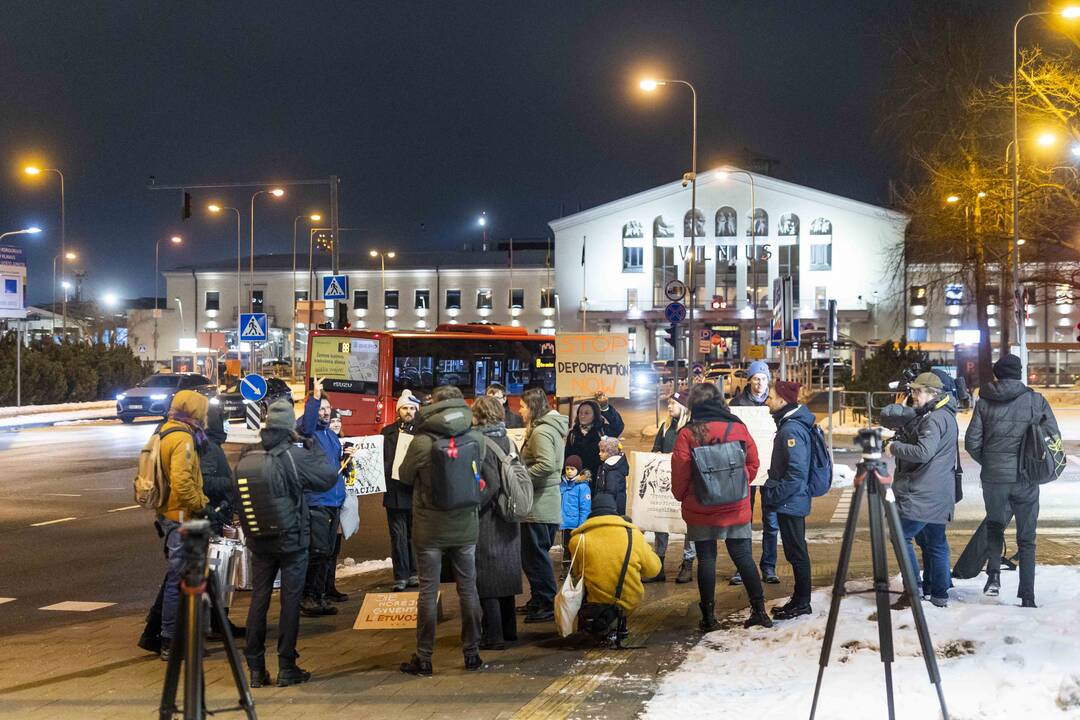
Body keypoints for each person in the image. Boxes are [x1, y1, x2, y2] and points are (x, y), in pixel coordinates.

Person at [243, 399, 339, 688]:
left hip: (259, 539)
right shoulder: (292, 456)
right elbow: (328, 477)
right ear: (288, 427)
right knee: (289, 602)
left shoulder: (250, 455)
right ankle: (287, 666)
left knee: (258, 599)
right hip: (292, 540)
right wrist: (312, 446)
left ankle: (256, 669)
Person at [397, 385, 486, 676]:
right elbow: (479, 474)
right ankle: (472, 653)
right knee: (468, 589)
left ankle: (424, 658)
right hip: (466, 526)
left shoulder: (422, 441)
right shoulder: (475, 437)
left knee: (427, 591)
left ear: (434, 404)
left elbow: (407, 476)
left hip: (430, 528)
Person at [671, 383, 771, 631]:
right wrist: (737, 483)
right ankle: (759, 611)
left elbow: (680, 472)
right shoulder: (737, 427)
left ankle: (708, 617)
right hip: (736, 505)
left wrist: (682, 495)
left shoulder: (687, 434)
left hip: (701, 507)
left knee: (706, 559)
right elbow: (753, 462)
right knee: (743, 557)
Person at [965, 353, 1060, 607]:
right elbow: (1053, 436)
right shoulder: (1035, 400)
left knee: (995, 527)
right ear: (1019, 374)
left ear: (997, 374)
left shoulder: (984, 401)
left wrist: (991, 462)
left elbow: (972, 442)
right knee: (1027, 538)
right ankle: (1027, 596)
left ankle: (994, 576)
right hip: (1026, 478)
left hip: (994, 478)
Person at [139, 390, 211, 660]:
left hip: (168, 514)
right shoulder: (183, 439)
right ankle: (169, 639)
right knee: (179, 579)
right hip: (182, 517)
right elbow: (182, 483)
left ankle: (168, 636)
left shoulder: (165, 430)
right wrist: (202, 504)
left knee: (178, 577)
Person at [884, 372, 958, 608]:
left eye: (918, 391)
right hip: (937, 492)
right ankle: (938, 594)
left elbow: (923, 452)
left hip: (923, 492)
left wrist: (894, 447)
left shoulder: (934, 419)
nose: (913, 395)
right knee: (935, 542)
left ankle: (913, 591)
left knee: (900, 536)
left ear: (933, 393)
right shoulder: (945, 415)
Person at [567, 494, 662, 641]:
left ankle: (595, 621)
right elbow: (654, 570)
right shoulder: (633, 536)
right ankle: (618, 620)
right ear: (615, 511)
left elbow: (578, 573)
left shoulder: (578, 540)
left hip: (595, 601)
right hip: (629, 600)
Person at [472, 395, 524, 650]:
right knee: (505, 576)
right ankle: (509, 630)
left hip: (490, 519)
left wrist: (474, 506)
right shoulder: (508, 439)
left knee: (487, 580)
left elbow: (489, 483)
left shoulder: (481, 442)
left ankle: (493, 636)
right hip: (510, 515)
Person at [761, 380, 815, 621]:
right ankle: (800, 599)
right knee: (795, 552)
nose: (767, 400)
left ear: (783, 400)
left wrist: (773, 494)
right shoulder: (789, 424)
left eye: (771, 397)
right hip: (790, 500)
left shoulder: (791, 430)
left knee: (797, 553)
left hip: (791, 501)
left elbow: (796, 473)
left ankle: (803, 602)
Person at [296, 378, 349, 617]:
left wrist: (346, 461)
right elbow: (306, 426)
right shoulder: (310, 433)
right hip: (317, 501)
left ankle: (319, 596)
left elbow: (334, 465)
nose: (326, 413)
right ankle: (307, 597)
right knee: (316, 552)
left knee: (326, 552)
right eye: (322, 409)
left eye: (328, 409)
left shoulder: (329, 435)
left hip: (333, 501)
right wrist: (315, 398)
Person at [518, 387, 568, 624]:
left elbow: (546, 465)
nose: (520, 411)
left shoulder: (541, 433)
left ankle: (546, 602)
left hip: (539, 506)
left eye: (523, 406)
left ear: (533, 408)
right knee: (534, 556)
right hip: (544, 504)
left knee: (535, 557)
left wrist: (521, 478)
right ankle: (539, 599)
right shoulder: (547, 429)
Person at [729, 360, 780, 586]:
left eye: (763, 378)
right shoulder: (738, 404)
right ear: (749, 380)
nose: (760, 383)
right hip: (746, 468)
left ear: (768, 380)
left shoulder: (775, 403)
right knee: (743, 520)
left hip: (770, 469)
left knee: (771, 520)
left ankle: (768, 567)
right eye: (756, 378)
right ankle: (744, 568)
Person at [647, 392, 696, 585]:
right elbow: (655, 449)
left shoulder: (691, 428)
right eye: (668, 403)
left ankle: (688, 562)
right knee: (661, 522)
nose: (669, 406)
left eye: (673, 403)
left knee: (687, 524)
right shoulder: (665, 428)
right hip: (664, 482)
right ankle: (658, 563)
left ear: (683, 406)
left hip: (685, 483)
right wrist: (657, 455)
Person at [381, 390, 421, 591]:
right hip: (394, 491)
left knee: (414, 535)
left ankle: (415, 573)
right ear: (398, 411)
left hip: (415, 491)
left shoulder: (422, 432)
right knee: (398, 536)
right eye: (405, 408)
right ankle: (401, 576)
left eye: (412, 408)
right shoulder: (387, 432)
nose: (408, 411)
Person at [324, 410, 349, 602]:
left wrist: (349, 461)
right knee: (326, 546)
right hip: (328, 501)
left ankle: (329, 585)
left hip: (341, 501)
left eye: (339, 421)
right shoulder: (324, 444)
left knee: (335, 546)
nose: (336, 424)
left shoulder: (343, 443)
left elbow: (349, 475)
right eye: (333, 421)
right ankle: (322, 586)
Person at [560, 455, 592, 578]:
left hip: (576, 524)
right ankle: (566, 568)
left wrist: (581, 525)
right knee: (566, 547)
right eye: (567, 468)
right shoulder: (562, 484)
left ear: (578, 470)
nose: (569, 471)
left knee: (575, 547)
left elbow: (585, 508)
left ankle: (576, 569)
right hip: (565, 523)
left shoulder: (582, 487)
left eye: (572, 469)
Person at [564, 399, 609, 478]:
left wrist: (604, 406)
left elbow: (618, 426)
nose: (582, 415)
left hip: (597, 480)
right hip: (577, 481)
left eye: (587, 413)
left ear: (595, 414)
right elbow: (567, 458)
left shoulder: (602, 432)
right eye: (580, 413)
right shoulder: (572, 434)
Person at [594, 436, 629, 515]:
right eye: (600, 451)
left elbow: (611, 493)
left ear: (611, 453)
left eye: (603, 451)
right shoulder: (608, 467)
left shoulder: (612, 471)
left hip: (610, 511)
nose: (599, 453)